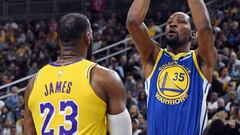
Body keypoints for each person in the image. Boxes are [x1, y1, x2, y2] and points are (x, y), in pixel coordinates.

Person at [24, 13, 132, 135]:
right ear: (88, 37)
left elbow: (28, 131)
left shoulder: (34, 82)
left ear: (58, 41)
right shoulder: (104, 78)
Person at [126, 0, 217, 134]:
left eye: (181, 21)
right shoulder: (154, 55)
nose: (172, 24)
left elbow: (205, 28)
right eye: (169, 22)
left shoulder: (201, 59)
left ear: (193, 34)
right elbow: (133, 22)